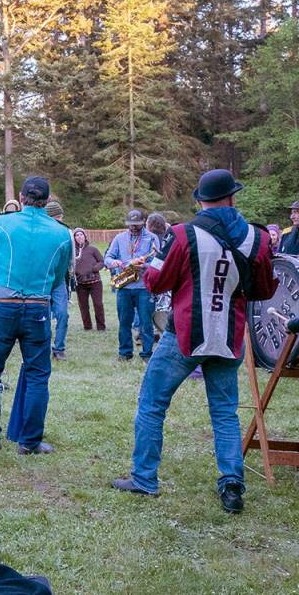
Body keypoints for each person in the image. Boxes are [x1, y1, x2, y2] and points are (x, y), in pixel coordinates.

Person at [112, 170, 277, 513]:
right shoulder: (259, 240)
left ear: (200, 200)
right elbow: (262, 290)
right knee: (224, 412)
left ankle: (144, 479)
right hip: (229, 337)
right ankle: (232, 484)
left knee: (152, 403)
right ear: (232, 197)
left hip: (184, 334)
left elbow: (156, 283)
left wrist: (152, 267)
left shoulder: (182, 234)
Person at [0, 176, 72, 455]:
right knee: (38, 373)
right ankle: (29, 441)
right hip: (38, 306)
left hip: (4, 304)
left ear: (21, 195)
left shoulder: (1, 223)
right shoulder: (61, 232)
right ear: (48, 200)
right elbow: (58, 277)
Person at [104, 209, 160, 362]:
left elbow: (159, 262)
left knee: (146, 322)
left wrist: (145, 266)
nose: (133, 227)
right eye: (130, 224)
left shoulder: (152, 238)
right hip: (124, 287)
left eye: (136, 224)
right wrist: (113, 262)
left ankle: (147, 353)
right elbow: (108, 257)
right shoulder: (119, 238)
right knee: (124, 322)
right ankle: (125, 352)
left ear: (144, 222)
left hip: (144, 287)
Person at [44, 200, 73, 360]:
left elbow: (69, 260)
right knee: (43, 316)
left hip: (59, 281)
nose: (59, 221)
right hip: (42, 282)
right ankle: (44, 347)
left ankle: (59, 348)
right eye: (56, 218)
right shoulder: (40, 234)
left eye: (60, 218)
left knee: (63, 314)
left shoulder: (66, 233)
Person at [73, 228, 105, 331]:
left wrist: (95, 268)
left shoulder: (92, 249)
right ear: (74, 238)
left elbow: (102, 261)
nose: (79, 237)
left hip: (95, 282)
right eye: (77, 235)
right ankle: (87, 327)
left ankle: (101, 327)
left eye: (81, 235)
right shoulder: (73, 252)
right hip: (80, 283)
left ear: (85, 236)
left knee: (98, 304)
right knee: (83, 306)